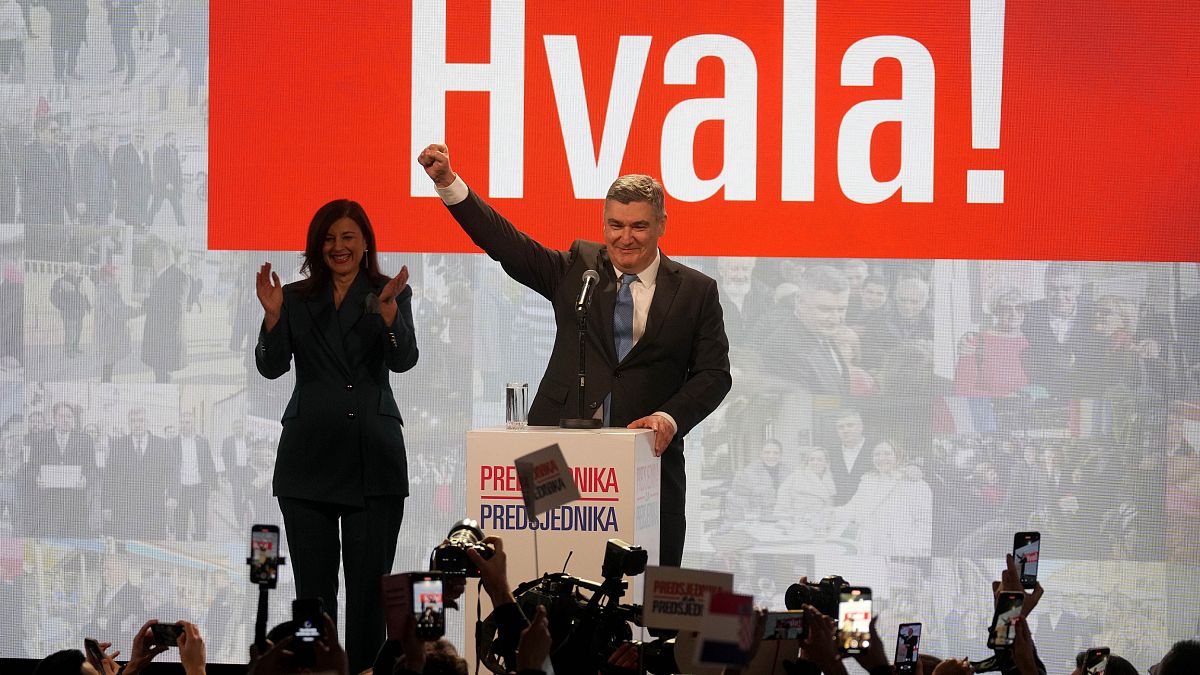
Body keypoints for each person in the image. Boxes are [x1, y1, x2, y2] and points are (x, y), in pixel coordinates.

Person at [418, 143, 731, 567]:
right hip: (553, 449)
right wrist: (449, 185)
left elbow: (714, 374)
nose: (625, 238)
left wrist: (669, 417)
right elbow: (507, 245)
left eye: (639, 226)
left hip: (646, 462)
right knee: (543, 568)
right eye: (615, 225)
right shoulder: (579, 268)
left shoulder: (696, 290)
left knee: (645, 586)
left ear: (661, 224)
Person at [254, 198, 418, 673]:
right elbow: (270, 366)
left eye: (348, 237)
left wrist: (389, 317)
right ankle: (312, 667)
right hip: (309, 462)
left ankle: (366, 669)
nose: (338, 247)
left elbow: (404, 359)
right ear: (316, 246)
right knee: (312, 594)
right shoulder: (297, 297)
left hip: (374, 460)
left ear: (366, 242)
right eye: (329, 238)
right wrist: (271, 317)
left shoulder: (389, 293)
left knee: (368, 590)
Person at [141, 241, 190, 382]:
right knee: (160, 375)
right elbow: (159, 300)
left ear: (163, 257)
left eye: (154, 258)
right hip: (159, 339)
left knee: (163, 379)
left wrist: (151, 307)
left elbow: (175, 309)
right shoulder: (165, 275)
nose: (153, 262)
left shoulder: (179, 276)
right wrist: (146, 303)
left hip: (165, 341)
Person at [95, 265, 143, 382]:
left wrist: (136, 310)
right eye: (116, 276)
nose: (118, 279)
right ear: (107, 278)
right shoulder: (106, 292)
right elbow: (117, 312)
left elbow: (122, 307)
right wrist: (138, 311)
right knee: (108, 365)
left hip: (111, 333)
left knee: (109, 363)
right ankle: (106, 386)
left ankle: (106, 384)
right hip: (109, 334)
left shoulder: (111, 290)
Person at [50, 262, 91, 357]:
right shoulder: (60, 282)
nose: (76, 272)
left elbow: (84, 295)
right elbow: (53, 297)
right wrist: (62, 306)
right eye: (73, 269)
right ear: (68, 270)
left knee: (78, 330)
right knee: (70, 331)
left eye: (77, 270)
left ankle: (75, 347)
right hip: (68, 312)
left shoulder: (80, 281)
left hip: (80, 311)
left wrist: (88, 306)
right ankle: (69, 350)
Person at [148, 131, 185, 226]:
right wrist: (166, 183)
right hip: (161, 188)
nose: (175, 141)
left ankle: (183, 230)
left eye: (175, 139)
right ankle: (146, 226)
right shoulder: (159, 151)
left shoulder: (175, 151)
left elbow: (178, 170)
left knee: (178, 209)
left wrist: (180, 185)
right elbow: (158, 170)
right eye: (173, 139)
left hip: (173, 188)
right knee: (154, 208)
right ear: (166, 139)